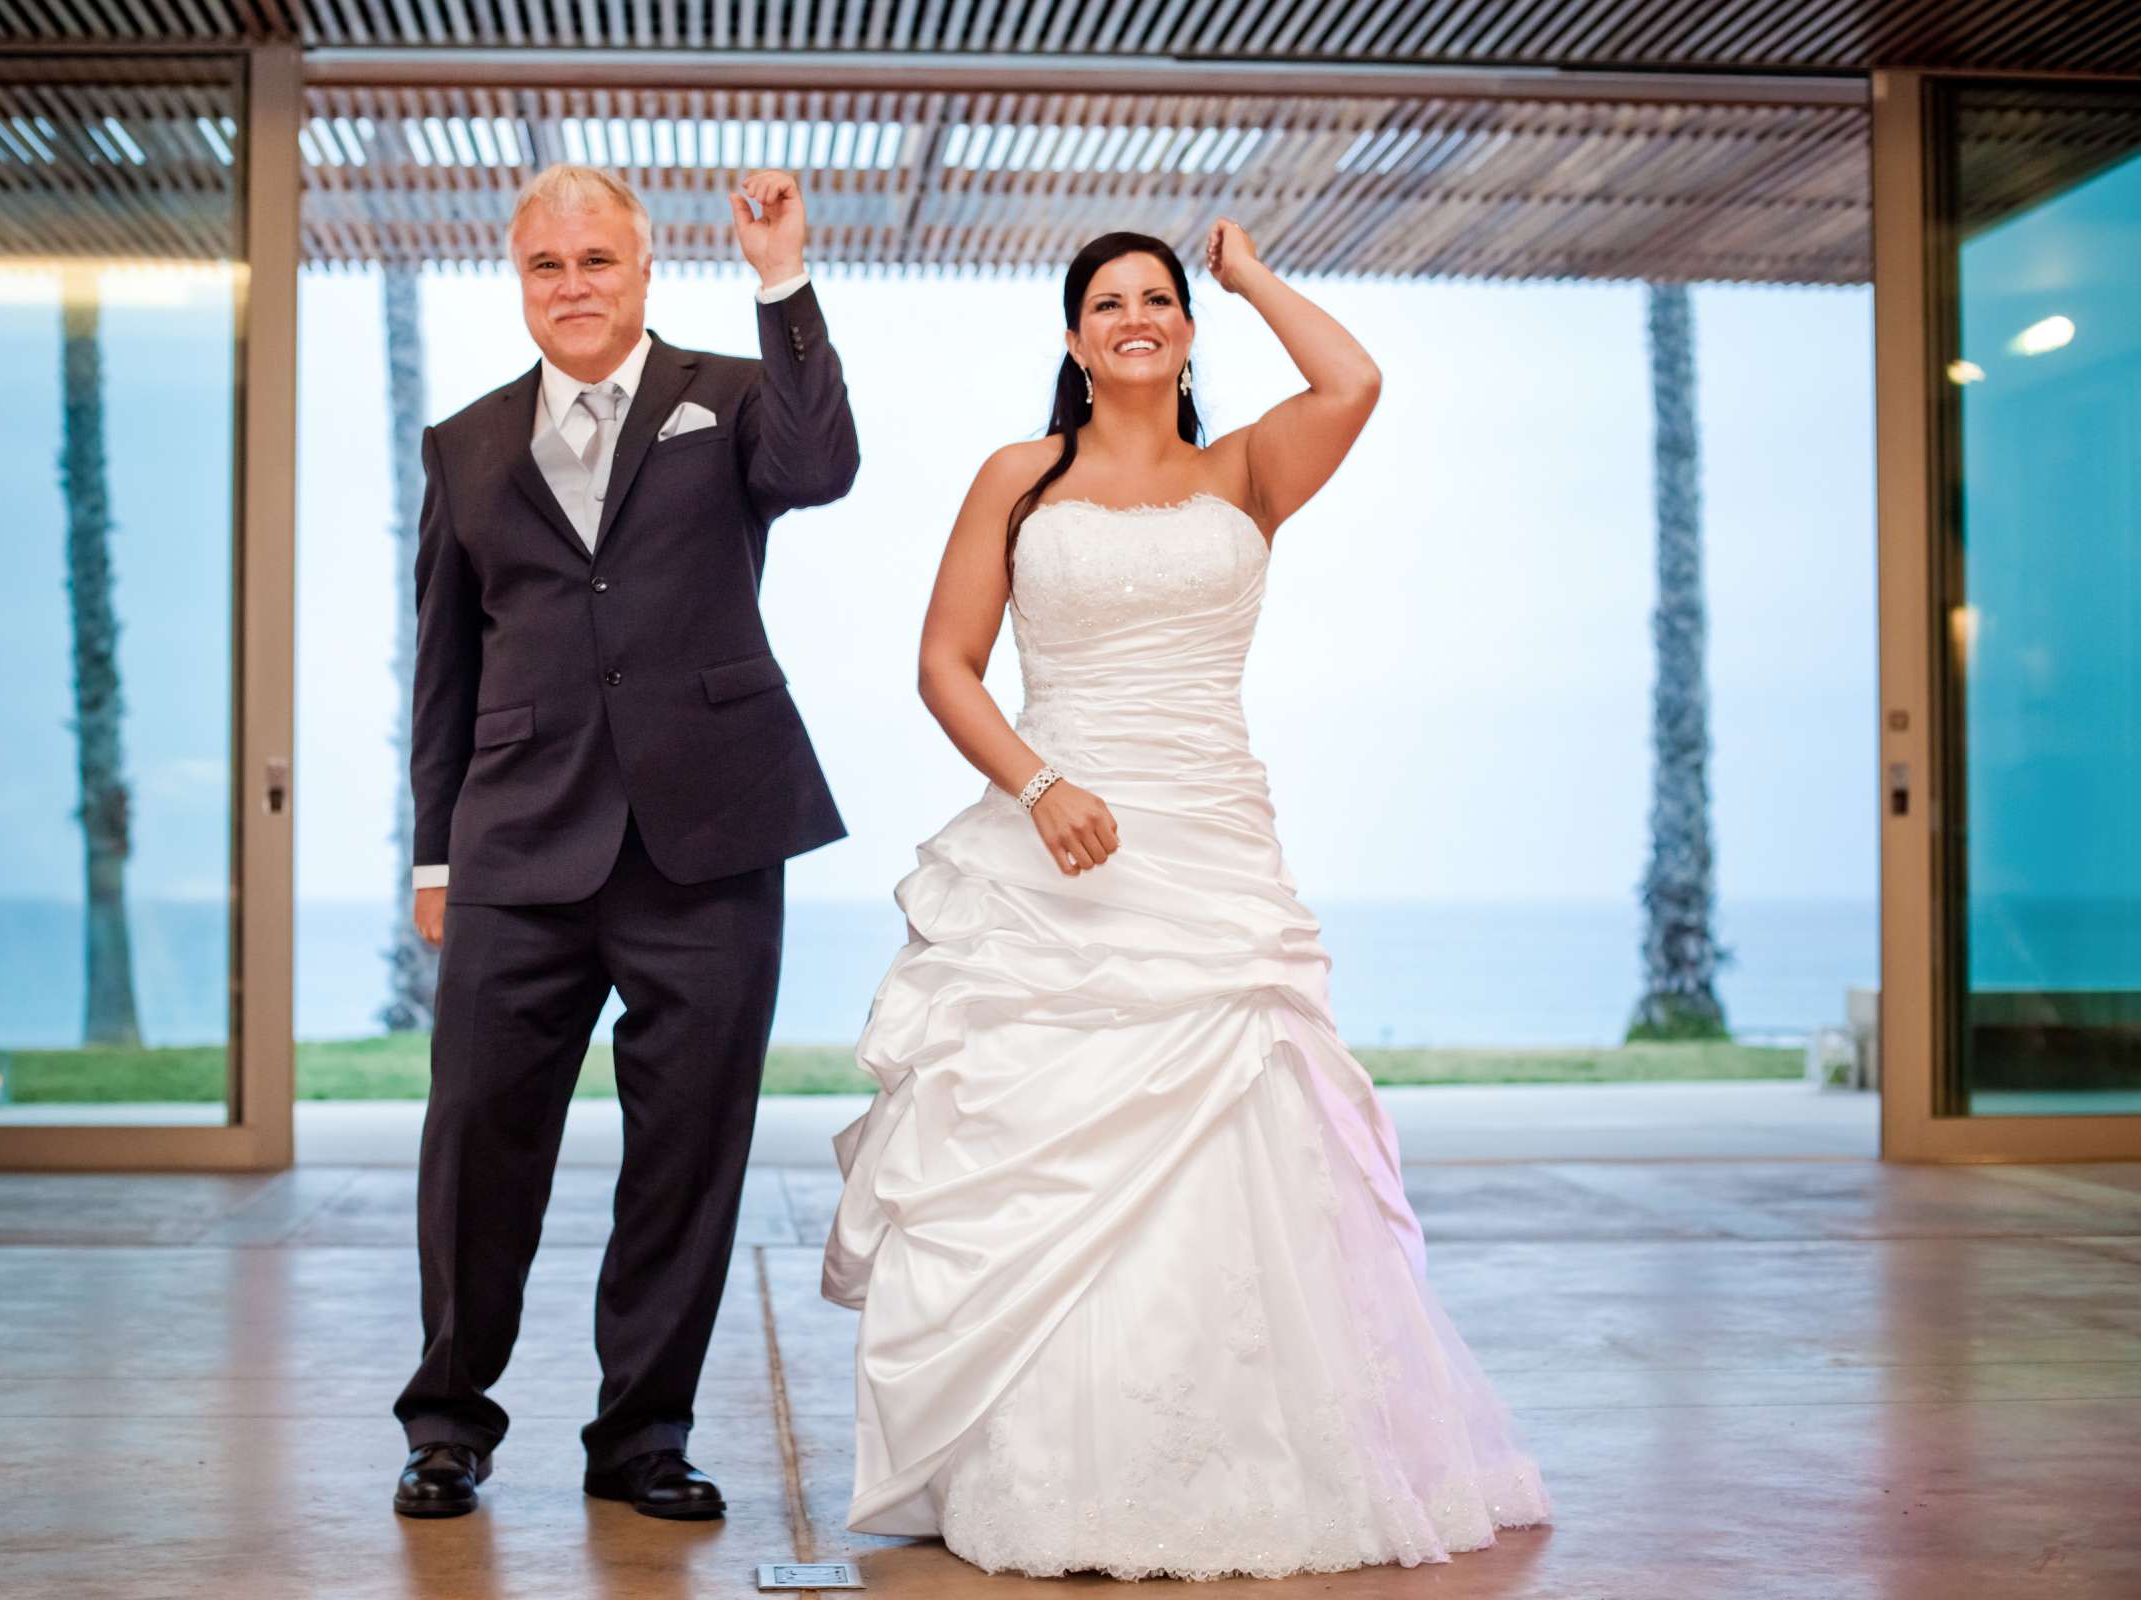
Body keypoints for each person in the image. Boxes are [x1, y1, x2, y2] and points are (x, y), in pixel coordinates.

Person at [822, 223, 1550, 1579]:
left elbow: (1354, 385)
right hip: (1056, 850)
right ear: (1073, 337)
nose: (1138, 319)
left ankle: (1249, 1458)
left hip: (1212, 846)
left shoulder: (1247, 471)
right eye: (1110, 303)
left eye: (1159, 300)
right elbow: (945, 663)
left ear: (1187, 329)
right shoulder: (1017, 478)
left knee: (1250, 1134)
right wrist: (1042, 786)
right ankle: (1040, 1464)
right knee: (1036, 1150)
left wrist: (1251, 274)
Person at [392, 163, 858, 1520]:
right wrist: (435, 858)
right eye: (549, 267)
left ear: (644, 272)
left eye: (598, 262)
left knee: (687, 1152)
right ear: (520, 281)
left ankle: (641, 1436)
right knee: (476, 1141)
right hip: (517, 848)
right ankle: (446, 1425)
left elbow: (822, 467)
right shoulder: (465, 445)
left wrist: (784, 278)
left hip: (707, 841)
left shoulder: (734, 393)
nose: (574, 287)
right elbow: (444, 672)